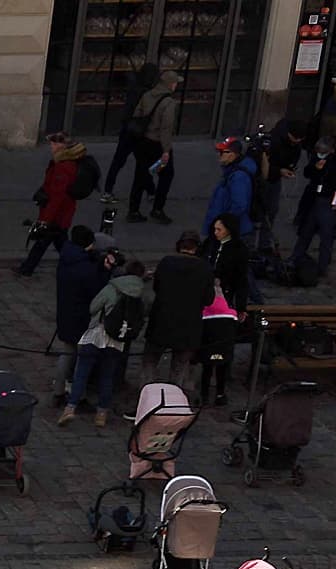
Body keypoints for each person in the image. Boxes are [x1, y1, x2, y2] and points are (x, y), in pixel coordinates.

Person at [60, 258, 146, 427]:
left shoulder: (112, 287)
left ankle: (70, 408)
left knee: (81, 373)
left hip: (97, 335)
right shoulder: (141, 293)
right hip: (117, 340)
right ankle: (101, 414)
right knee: (107, 376)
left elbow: (93, 307)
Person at [143, 230, 212, 383]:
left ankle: (146, 392)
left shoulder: (166, 262)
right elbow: (208, 299)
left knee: (150, 363)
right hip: (188, 327)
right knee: (178, 369)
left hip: (161, 322)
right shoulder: (204, 268)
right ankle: (174, 396)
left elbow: (156, 287)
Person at [291, 136, 336, 281]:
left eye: (324, 152)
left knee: (326, 235)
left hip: (331, 200)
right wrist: (316, 168)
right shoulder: (318, 158)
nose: (320, 154)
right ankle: (296, 257)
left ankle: (322, 266)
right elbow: (308, 173)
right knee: (306, 231)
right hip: (314, 199)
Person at [17, 132, 87, 276]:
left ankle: (28, 269)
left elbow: (57, 196)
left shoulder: (63, 167)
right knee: (56, 242)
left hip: (57, 215)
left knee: (46, 241)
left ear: (62, 146)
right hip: (61, 214)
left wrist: (45, 220)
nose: (51, 146)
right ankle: (28, 268)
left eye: (54, 143)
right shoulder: (66, 162)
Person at [51, 224, 107, 403]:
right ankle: (78, 396)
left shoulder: (66, 257)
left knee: (67, 352)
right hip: (83, 317)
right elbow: (97, 290)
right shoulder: (86, 268)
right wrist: (104, 271)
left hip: (65, 313)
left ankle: (58, 391)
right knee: (82, 360)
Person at [127, 70, 180, 224]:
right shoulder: (169, 103)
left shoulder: (147, 95)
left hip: (143, 142)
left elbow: (137, 114)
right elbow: (166, 128)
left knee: (140, 175)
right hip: (158, 145)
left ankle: (133, 210)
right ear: (171, 84)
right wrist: (166, 151)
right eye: (175, 83)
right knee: (166, 175)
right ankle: (157, 209)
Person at [104, 64, 161, 199]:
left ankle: (108, 190)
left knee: (118, 161)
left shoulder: (134, 88)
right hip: (140, 133)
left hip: (128, 130)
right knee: (143, 163)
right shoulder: (149, 94)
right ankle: (151, 191)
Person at [258, 118, 306, 252]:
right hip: (263, 179)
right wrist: (279, 170)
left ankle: (264, 244)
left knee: (271, 211)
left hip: (274, 179)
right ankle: (252, 244)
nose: (296, 141)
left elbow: (292, 158)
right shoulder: (274, 140)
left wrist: (289, 168)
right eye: (295, 138)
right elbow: (263, 165)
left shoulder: (295, 145)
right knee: (258, 211)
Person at [203, 135, 258, 242]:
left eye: (222, 152)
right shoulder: (232, 172)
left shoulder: (238, 177)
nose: (219, 155)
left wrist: (225, 225)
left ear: (232, 155)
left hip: (230, 232)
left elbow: (239, 205)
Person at [197, 288, 240, 407]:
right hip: (224, 349)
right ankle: (220, 394)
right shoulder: (231, 314)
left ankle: (204, 396)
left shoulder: (203, 313)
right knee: (222, 372)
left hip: (208, 349)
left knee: (207, 371)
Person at [206, 213, 250, 313]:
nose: (215, 232)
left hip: (226, 292)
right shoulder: (210, 243)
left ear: (229, 230)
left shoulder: (239, 249)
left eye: (219, 230)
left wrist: (241, 307)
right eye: (214, 229)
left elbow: (241, 279)